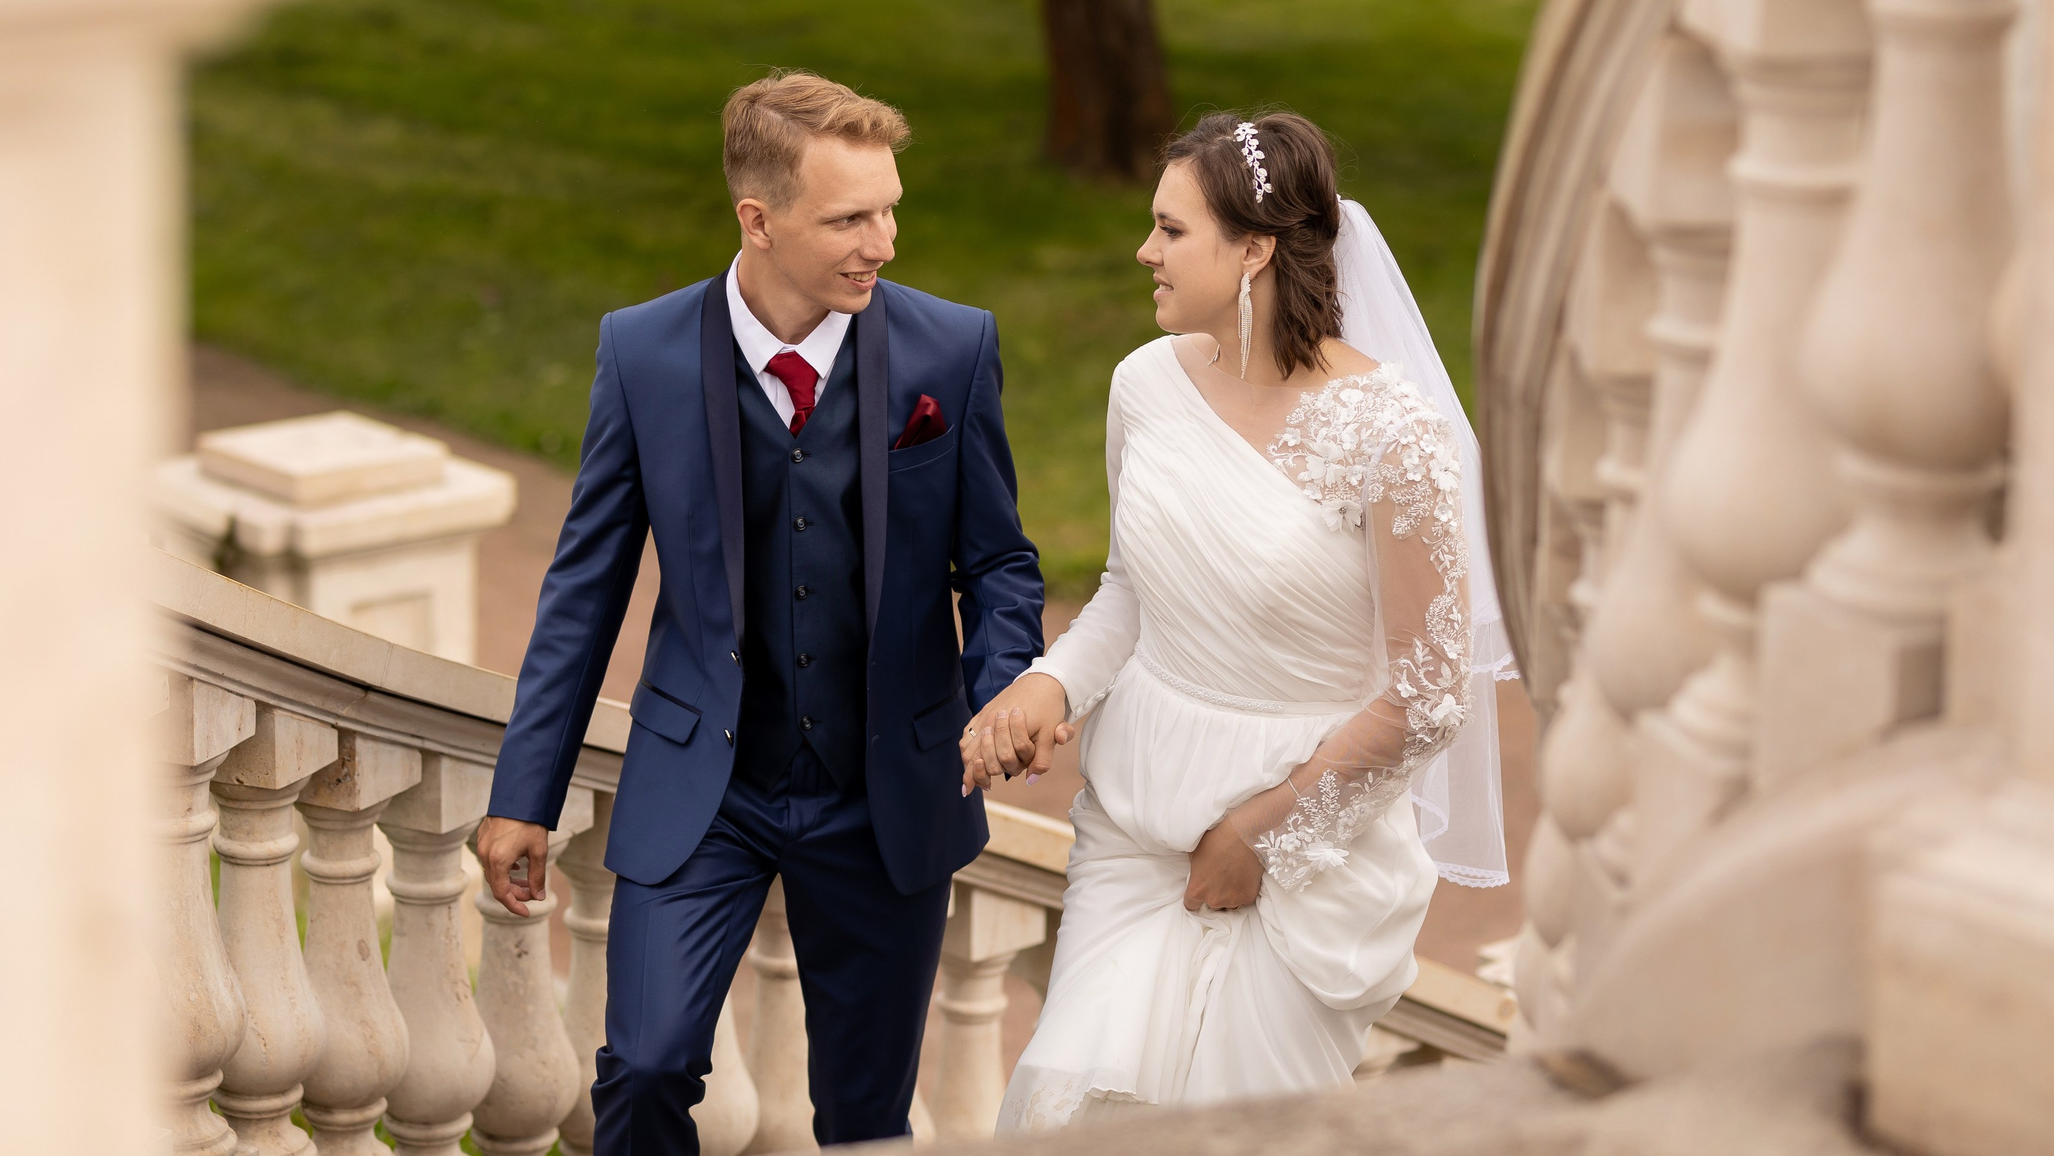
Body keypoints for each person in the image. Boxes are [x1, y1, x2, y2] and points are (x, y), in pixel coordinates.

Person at [477, 70, 1047, 1154]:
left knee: (865, 1116)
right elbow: (583, 589)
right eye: (848, 218)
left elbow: (1002, 563)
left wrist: (1004, 685)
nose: (882, 241)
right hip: (707, 785)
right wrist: (525, 794)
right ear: (759, 219)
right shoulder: (641, 353)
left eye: (889, 209)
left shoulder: (950, 349)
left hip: (884, 792)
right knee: (641, 1068)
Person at [966, 110, 1510, 1126]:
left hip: (1305, 858)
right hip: (1132, 824)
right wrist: (1049, 683)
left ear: (1254, 247)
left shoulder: (1394, 435)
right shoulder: (1143, 386)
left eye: (1171, 230)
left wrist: (1267, 831)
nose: (1145, 252)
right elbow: (1133, 590)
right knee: (1066, 1111)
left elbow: (1430, 697)